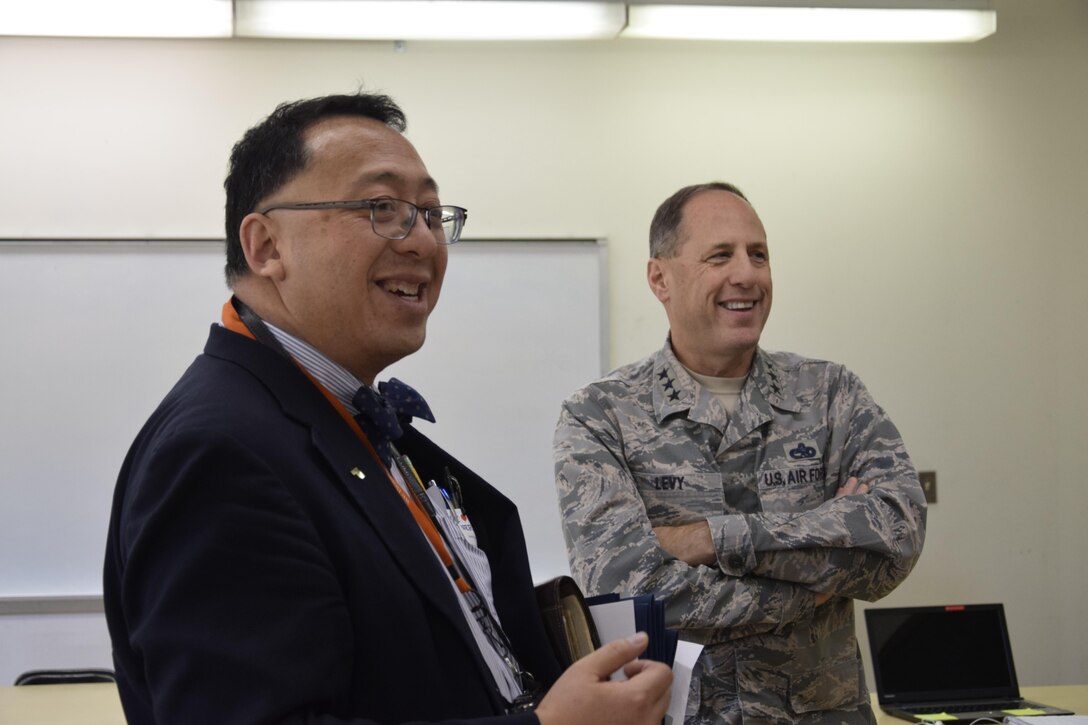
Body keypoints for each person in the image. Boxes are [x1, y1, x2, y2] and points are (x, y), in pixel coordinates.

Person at [103, 92, 671, 725]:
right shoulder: (219, 454)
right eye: (381, 208)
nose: (423, 240)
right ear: (266, 247)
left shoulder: (350, 419)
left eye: (429, 213)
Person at [553, 182, 927, 724]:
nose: (747, 274)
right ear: (660, 278)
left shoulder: (830, 395)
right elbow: (629, 590)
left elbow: (895, 540)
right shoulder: (600, 415)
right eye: (720, 256)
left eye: (759, 254)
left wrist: (708, 539)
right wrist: (814, 589)